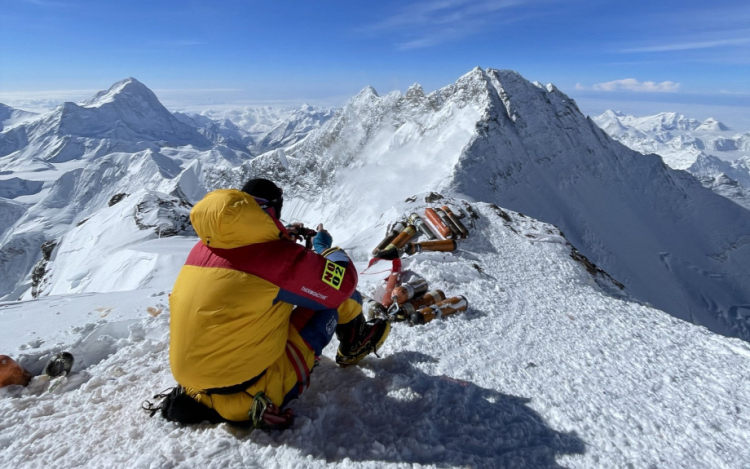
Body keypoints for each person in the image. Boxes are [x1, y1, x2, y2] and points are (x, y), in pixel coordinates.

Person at [167, 178, 390, 428]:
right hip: (250, 396)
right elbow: (342, 284)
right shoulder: (276, 259)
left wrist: (283, 240)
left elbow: (250, 269)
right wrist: (324, 249)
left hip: (193, 389)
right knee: (336, 299)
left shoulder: (203, 248)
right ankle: (355, 342)